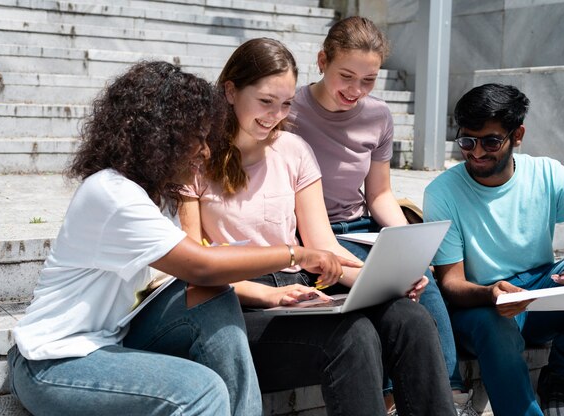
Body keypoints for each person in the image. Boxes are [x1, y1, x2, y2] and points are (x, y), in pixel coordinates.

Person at [7, 60, 353, 416]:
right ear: (159, 137)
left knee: (212, 297)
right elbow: (201, 265)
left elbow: (202, 279)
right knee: (200, 389)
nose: (205, 152)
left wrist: (270, 293)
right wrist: (295, 254)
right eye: (197, 139)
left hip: (114, 338)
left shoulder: (155, 193)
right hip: (52, 364)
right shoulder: (111, 195)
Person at [182, 37, 456, 416]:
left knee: (410, 318)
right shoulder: (194, 160)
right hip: (240, 302)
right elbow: (193, 267)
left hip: (303, 289)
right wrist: (271, 296)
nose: (275, 115)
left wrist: (381, 277)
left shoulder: (293, 150)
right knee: (352, 336)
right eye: (265, 101)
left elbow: (324, 244)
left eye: (286, 104)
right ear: (230, 91)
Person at [286, 15, 472, 414]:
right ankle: (391, 397)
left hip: (362, 228)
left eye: (368, 80)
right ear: (322, 61)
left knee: (425, 286)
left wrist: (407, 242)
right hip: (312, 235)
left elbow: (380, 193)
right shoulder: (291, 112)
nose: (355, 91)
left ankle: (444, 393)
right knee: (392, 298)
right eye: (346, 76)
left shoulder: (378, 116)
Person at [423, 83, 564, 416]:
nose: (477, 152)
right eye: (467, 141)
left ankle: (557, 378)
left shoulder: (547, 174)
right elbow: (451, 284)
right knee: (494, 325)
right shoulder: (443, 192)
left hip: (540, 292)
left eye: (491, 141)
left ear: (518, 134)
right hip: (480, 305)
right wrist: (489, 294)